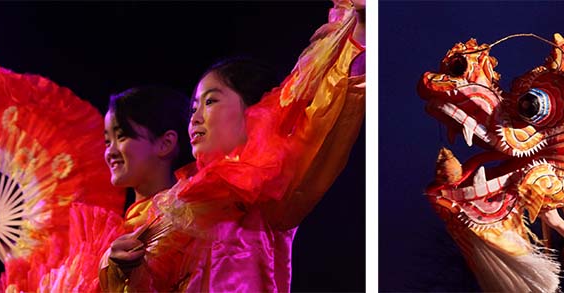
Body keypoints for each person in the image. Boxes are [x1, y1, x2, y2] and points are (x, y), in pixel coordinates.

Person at [101, 0, 366, 290]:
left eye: (211, 101)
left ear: (254, 110)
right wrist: (118, 266)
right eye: (192, 109)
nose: (196, 118)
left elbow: (330, 113)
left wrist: (361, 30)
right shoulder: (178, 205)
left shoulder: (268, 188)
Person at [0, 86, 193, 291]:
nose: (110, 152)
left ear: (165, 144)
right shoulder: (113, 231)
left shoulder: (188, 219)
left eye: (122, 136)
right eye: (107, 141)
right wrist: (1, 244)